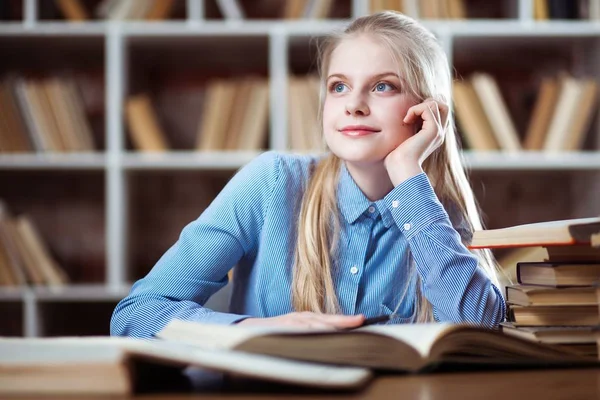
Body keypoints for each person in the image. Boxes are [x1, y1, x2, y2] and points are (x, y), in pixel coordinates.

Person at [111, 11, 506, 338]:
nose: (353, 104)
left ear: (427, 112)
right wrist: (259, 329)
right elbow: (136, 315)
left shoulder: (434, 217)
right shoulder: (271, 182)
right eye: (339, 87)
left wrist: (408, 174)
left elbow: (484, 330)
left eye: (383, 87)